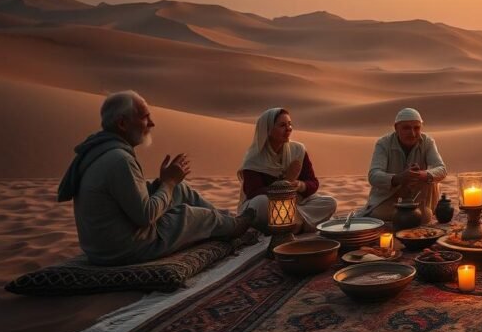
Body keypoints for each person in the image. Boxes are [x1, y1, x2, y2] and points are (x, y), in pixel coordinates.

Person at [57, 91, 255, 265]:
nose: (152, 123)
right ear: (123, 123)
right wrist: (168, 183)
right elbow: (146, 216)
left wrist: (168, 184)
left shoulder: (101, 152)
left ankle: (228, 224)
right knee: (190, 215)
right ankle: (229, 226)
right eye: (144, 117)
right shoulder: (119, 160)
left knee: (179, 189)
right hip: (122, 249)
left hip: (103, 247)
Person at [238, 108, 337, 233]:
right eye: (282, 125)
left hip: (295, 202)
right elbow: (252, 192)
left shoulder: (298, 150)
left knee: (329, 202)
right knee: (261, 203)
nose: (289, 128)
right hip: (270, 205)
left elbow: (313, 182)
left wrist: (299, 185)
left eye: (290, 124)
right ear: (268, 129)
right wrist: (282, 187)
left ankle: (293, 223)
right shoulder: (254, 158)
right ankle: (298, 223)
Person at [358, 108, 447, 223]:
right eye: (406, 128)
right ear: (396, 128)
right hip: (390, 199)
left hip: (417, 199)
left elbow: (442, 169)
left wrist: (421, 174)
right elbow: (373, 175)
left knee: (424, 216)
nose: (412, 133)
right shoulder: (383, 143)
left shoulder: (427, 142)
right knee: (378, 214)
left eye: (416, 128)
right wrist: (399, 178)